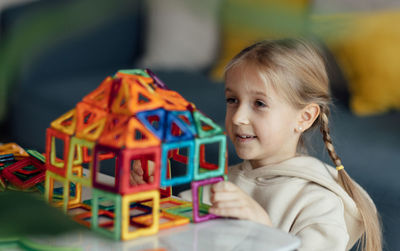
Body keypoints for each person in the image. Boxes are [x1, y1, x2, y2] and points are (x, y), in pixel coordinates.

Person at [131, 38, 382, 251]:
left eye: (259, 104)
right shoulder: (222, 183)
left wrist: (263, 228)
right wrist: (151, 198)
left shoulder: (319, 203)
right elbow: (174, 237)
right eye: (232, 99)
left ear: (304, 117)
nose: (238, 117)